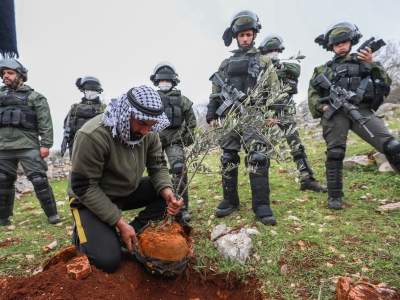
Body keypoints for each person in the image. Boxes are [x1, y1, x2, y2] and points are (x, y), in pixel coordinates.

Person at [67, 85, 183, 273]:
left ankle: (129, 234)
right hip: (89, 199)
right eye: (141, 124)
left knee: (174, 185)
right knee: (108, 262)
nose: (145, 131)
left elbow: (158, 166)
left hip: (127, 190)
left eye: (150, 125)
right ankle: (87, 232)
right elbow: (83, 188)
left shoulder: (148, 131)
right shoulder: (92, 136)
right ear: (126, 113)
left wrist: (167, 191)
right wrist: (119, 221)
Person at [308, 21, 400, 210]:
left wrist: (371, 63)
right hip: (336, 113)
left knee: (392, 147)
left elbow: (384, 82)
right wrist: (322, 107)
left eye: (344, 41)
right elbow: (313, 92)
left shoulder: (365, 63)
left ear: (351, 41)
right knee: (335, 153)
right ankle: (334, 196)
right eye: (336, 43)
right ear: (331, 46)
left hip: (362, 110)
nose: (340, 45)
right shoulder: (323, 70)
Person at [206, 10, 281, 226]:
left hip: (255, 113)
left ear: (254, 35)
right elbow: (215, 92)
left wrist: (273, 115)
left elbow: (274, 90)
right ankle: (230, 200)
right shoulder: (225, 64)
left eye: (248, 34)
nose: (245, 39)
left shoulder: (264, 61)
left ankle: (261, 204)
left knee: (257, 156)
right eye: (241, 35)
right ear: (236, 37)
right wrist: (212, 114)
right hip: (230, 116)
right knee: (228, 156)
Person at [258, 35, 327, 192]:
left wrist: (277, 71)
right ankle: (261, 185)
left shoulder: (286, 64)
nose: (273, 53)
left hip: (285, 112)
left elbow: (295, 69)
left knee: (296, 146)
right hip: (266, 114)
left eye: (276, 50)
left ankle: (307, 179)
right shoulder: (261, 69)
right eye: (270, 51)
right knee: (263, 149)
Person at [0, 58, 60, 225]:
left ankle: (52, 215)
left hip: (28, 146)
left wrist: (46, 144)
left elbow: (45, 122)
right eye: (4, 73)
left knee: (39, 180)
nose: (6, 76)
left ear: (21, 76)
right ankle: (3, 219)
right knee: (2, 181)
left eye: (10, 73)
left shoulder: (35, 97)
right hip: (3, 147)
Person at [150, 62, 197, 222]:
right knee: (156, 172)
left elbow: (192, 125)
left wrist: (182, 140)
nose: (164, 82)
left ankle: (182, 208)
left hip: (175, 141)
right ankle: (159, 208)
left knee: (179, 170)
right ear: (156, 81)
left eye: (168, 80)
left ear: (174, 81)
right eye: (161, 80)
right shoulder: (151, 99)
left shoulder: (183, 100)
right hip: (153, 141)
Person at [61, 76, 106, 159]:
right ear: (83, 90)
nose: (90, 92)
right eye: (87, 89)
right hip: (77, 144)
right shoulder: (75, 108)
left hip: (97, 145)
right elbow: (66, 126)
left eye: (93, 90)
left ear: (98, 91)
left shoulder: (104, 108)